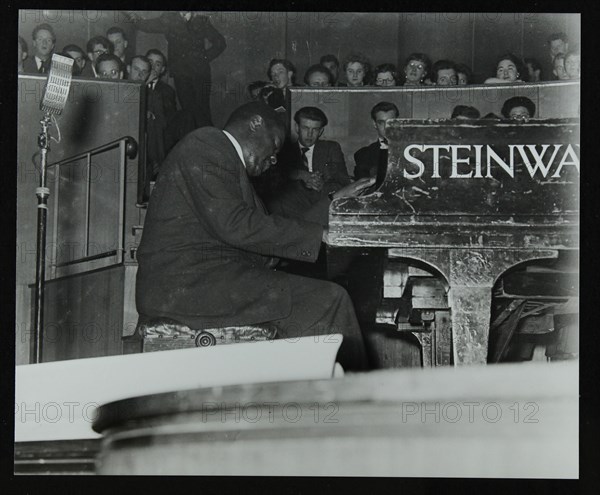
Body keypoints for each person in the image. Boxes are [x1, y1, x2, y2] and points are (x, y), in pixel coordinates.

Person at [135, 101, 374, 370]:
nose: (274, 160)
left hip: (207, 281)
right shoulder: (206, 142)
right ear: (255, 123)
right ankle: (354, 401)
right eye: (273, 146)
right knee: (330, 299)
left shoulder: (227, 165)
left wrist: (333, 200)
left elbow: (263, 233)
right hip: (188, 285)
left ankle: (316, 396)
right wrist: (320, 234)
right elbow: (236, 224)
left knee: (319, 300)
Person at [125, 11, 226, 128]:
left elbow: (220, 43)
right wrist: (130, 15)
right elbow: (146, 26)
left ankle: (209, 140)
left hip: (200, 74)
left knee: (202, 111)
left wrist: (203, 58)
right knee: (189, 112)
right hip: (181, 75)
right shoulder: (169, 18)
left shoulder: (201, 20)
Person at [267, 107, 352, 222]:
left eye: (315, 129)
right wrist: (302, 175)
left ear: (321, 131)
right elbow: (274, 180)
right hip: (292, 210)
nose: (310, 134)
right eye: (305, 128)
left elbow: (343, 182)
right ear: (297, 127)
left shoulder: (331, 148)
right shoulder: (284, 150)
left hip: (324, 208)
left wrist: (322, 185)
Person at [353, 101, 399, 180]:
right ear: (375, 124)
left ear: (398, 123)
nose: (386, 127)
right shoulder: (363, 155)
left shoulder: (411, 150)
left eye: (391, 122)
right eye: (381, 122)